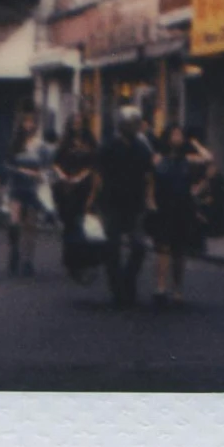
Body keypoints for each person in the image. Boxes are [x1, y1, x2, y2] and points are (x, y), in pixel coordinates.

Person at [93, 105, 155, 308]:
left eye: (137, 123)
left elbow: (149, 176)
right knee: (112, 247)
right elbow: (98, 176)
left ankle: (128, 280)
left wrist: (149, 199)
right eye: (131, 123)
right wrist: (94, 204)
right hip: (111, 204)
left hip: (135, 205)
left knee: (139, 246)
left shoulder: (142, 148)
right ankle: (117, 288)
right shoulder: (108, 147)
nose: (135, 127)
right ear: (121, 125)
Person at [148, 125, 213, 307]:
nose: (177, 138)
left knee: (179, 250)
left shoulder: (188, 159)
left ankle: (177, 289)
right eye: (174, 134)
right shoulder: (158, 158)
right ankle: (160, 287)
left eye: (180, 135)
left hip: (182, 207)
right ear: (167, 137)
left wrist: (194, 142)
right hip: (163, 206)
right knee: (162, 248)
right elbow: (150, 181)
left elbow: (208, 158)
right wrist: (151, 201)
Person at [4, 107, 52, 277]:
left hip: (33, 188)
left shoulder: (41, 147)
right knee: (14, 223)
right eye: (25, 122)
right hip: (17, 186)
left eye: (31, 122)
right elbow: (7, 165)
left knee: (30, 226)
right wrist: (18, 172)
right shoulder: (15, 144)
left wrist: (38, 175)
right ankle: (14, 251)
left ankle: (28, 261)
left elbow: (47, 169)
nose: (28, 125)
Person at [52, 113, 100, 261]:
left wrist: (82, 176)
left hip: (84, 183)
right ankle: (69, 251)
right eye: (74, 123)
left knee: (82, 217)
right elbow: (55, 162)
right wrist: (62, 175)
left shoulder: (90, 142)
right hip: (66, 184)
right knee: (68, 218)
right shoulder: (64, 142)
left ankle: (82, 252)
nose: (77, 126)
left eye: (79, 123)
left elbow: (94, 162)